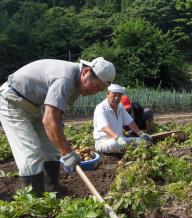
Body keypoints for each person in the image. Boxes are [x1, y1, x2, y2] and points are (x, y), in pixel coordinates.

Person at [0, 57, 115, 196]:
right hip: (12, 102)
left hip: (34, 107)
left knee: (52, 151)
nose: (94, 91)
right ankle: (33, 208)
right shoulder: (65, 78)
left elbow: (57, 116)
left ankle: (51, 196)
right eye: (95, 86)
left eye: (99, 90)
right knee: (31, 156)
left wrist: (63, 147)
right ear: (85, 71)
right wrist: (67, 152)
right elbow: (49, 120)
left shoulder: (77, 85)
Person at [93, 84, 152, 154]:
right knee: (115, 144)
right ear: (108, 94)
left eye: (119, 95)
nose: (116, 98)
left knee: (143, 141)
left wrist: (140, 133)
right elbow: (104, 127)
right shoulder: (101, 108)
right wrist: (117, 138)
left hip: (121, 139)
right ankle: (129, 150)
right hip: (104, 141)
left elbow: (130, 122)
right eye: (114, 95)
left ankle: (129, 149)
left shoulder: (120, 107)